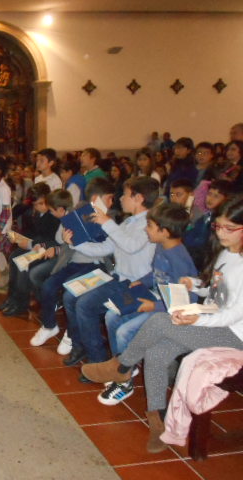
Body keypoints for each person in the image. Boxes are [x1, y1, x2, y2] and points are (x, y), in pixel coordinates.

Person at [82, 196, 243, 454]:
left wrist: (198, 318)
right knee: (156, 353)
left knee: (158, 320)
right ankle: (158, 423)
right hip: (211, 319)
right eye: (218, 226)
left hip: (233, 335)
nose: (221, 233)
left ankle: (122, 366)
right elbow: (216, 291)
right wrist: (196, 285)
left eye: (229, 228)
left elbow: (233, 313)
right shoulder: (227, 252)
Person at [99, 203, 197, 406]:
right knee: (111, 316)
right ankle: (122, 366)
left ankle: (124, 382)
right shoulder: (162, 246)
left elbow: (187, 301)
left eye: (150, 226)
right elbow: (156, 273)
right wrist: (142, 281)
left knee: (125, 332)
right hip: (157, 299)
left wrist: (155, 307)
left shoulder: (179, 259)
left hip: (171, 311)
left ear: (165, 231)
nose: (146, 229)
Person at [62, 177, 159, 369]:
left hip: (135, 283)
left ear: (139, 198)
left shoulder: (150, 224)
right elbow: (105, 248)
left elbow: (131, 246)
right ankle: (79, 346)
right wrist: (75, 243)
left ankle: (97, 360)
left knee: (85, 305)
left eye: (125, 195)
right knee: (70, 295)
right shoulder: (128, 222)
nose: (121, 198)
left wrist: (107, 223)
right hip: (117, 277)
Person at [30, 178, 115, 352]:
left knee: (71, 292)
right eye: (109, 198)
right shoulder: (79, 211)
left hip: (94, 265)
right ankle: (49, 325)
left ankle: (71, 333)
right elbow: (61, 239)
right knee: (48, 286)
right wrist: (67, 228)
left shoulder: (110, 219)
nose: (112, 202)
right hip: (73, 261)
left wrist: (79, 242)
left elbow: (106, 250)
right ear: (96, 198)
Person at [0, 183, 61, 317]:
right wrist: (19, 238)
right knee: (13, 256)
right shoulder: (36, 213)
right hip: (37, 246)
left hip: (48, 250)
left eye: (42, 203)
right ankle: (12, 297)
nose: (40, 207)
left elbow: (51, 239)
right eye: (36, 205)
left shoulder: (53, 214)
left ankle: (21, 302)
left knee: (23, 263)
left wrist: (31, 243)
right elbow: (32, 232)